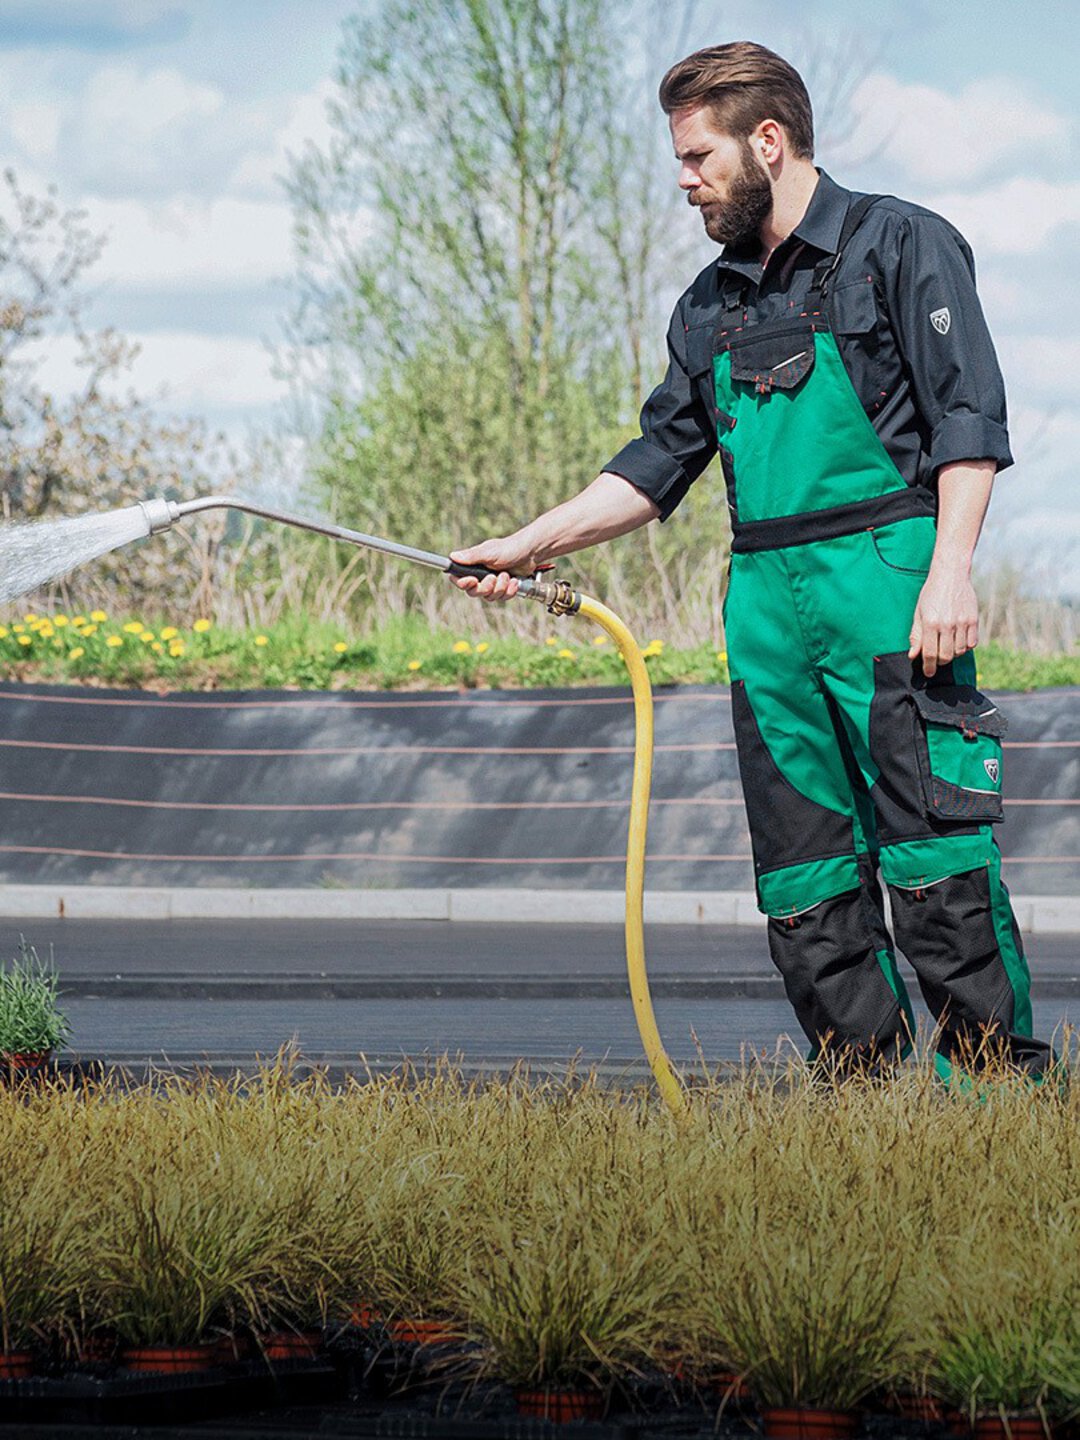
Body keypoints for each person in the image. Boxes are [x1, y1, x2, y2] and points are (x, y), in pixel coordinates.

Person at [449, 41, 1052, 1082]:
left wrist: (953, 569)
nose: (684, 181)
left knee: (936, 861)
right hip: (766, 613)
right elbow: (656, 467)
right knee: (805, 882)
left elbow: (966, 419)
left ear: (766, 142)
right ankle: (862, 1116)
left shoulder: (899, 245)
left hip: (891, 591)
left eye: (698, 158)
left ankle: (998, 1109)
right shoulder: (708, 305)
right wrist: (529, 543)